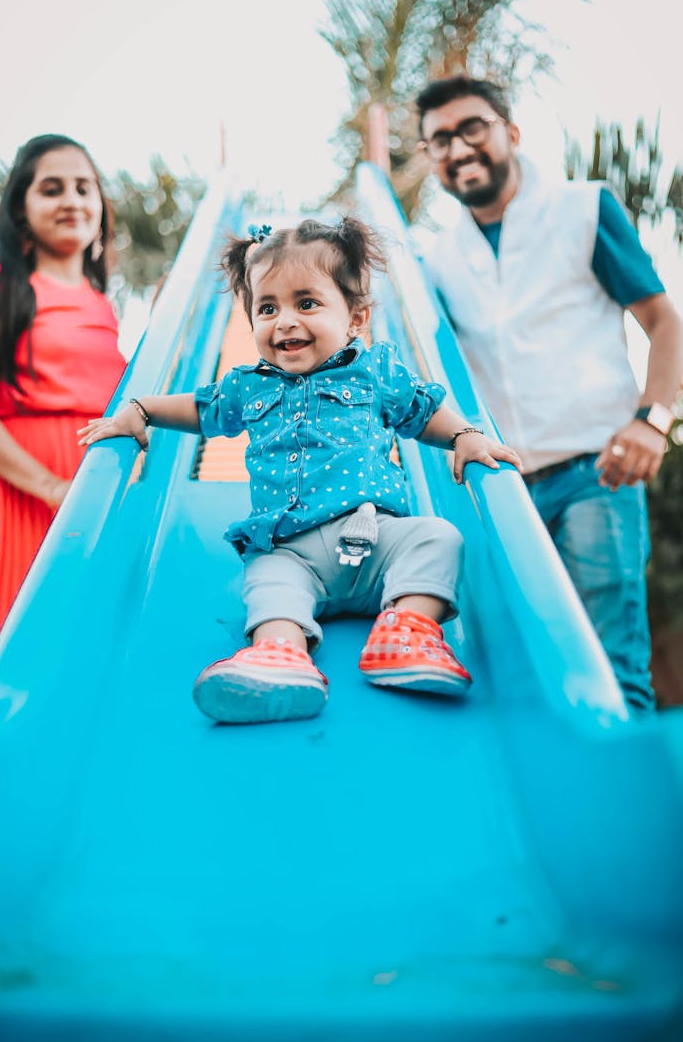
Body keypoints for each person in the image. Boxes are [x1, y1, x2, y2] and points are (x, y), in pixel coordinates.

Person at [79, 217, 522, 725]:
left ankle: (407, 630)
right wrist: (141, 409)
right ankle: (281, 655)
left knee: (438, 538)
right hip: (294, 551)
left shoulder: (374, 369)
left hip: (375, 536)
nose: (284, 321)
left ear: (356, 317)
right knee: (266, 578)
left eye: (306, 303)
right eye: (267, 308)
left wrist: (465, 436)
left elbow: (422, 410)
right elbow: (202, 408)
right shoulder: (250, 384)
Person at [414, 75, 683, 712]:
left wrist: (653, 419)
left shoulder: (583, 208)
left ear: (510, 131)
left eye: (471, 127)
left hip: (596, 471)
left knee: (609, 664)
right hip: (499, 490)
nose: (457, 148)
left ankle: (628, 808)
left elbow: (664, 321)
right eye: (439, 140)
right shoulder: (437, 259)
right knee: (520, 674)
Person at [0, 134, 127, 714]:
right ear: (22, 206)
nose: (71, 200)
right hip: (5, 494)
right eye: (51, 188)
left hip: (83, 500)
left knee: (66, 678)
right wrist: (51, 488)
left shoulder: (102, 301)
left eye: (83, 187)